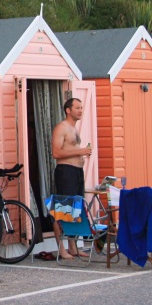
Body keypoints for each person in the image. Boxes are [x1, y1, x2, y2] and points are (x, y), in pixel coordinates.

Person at [50, 97, 93, 260]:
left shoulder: (74, 129)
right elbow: (56, 153)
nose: (80, 110)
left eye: (82, 107)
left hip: (77, 172)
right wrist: (80, 152)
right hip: (65, 172)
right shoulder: (61, 128)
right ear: (68, 110)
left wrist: (82, 154)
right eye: (77, 107)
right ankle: (61, 249)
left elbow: (74, 150)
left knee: (76, 209)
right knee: (62, 210)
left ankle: (73, 247)